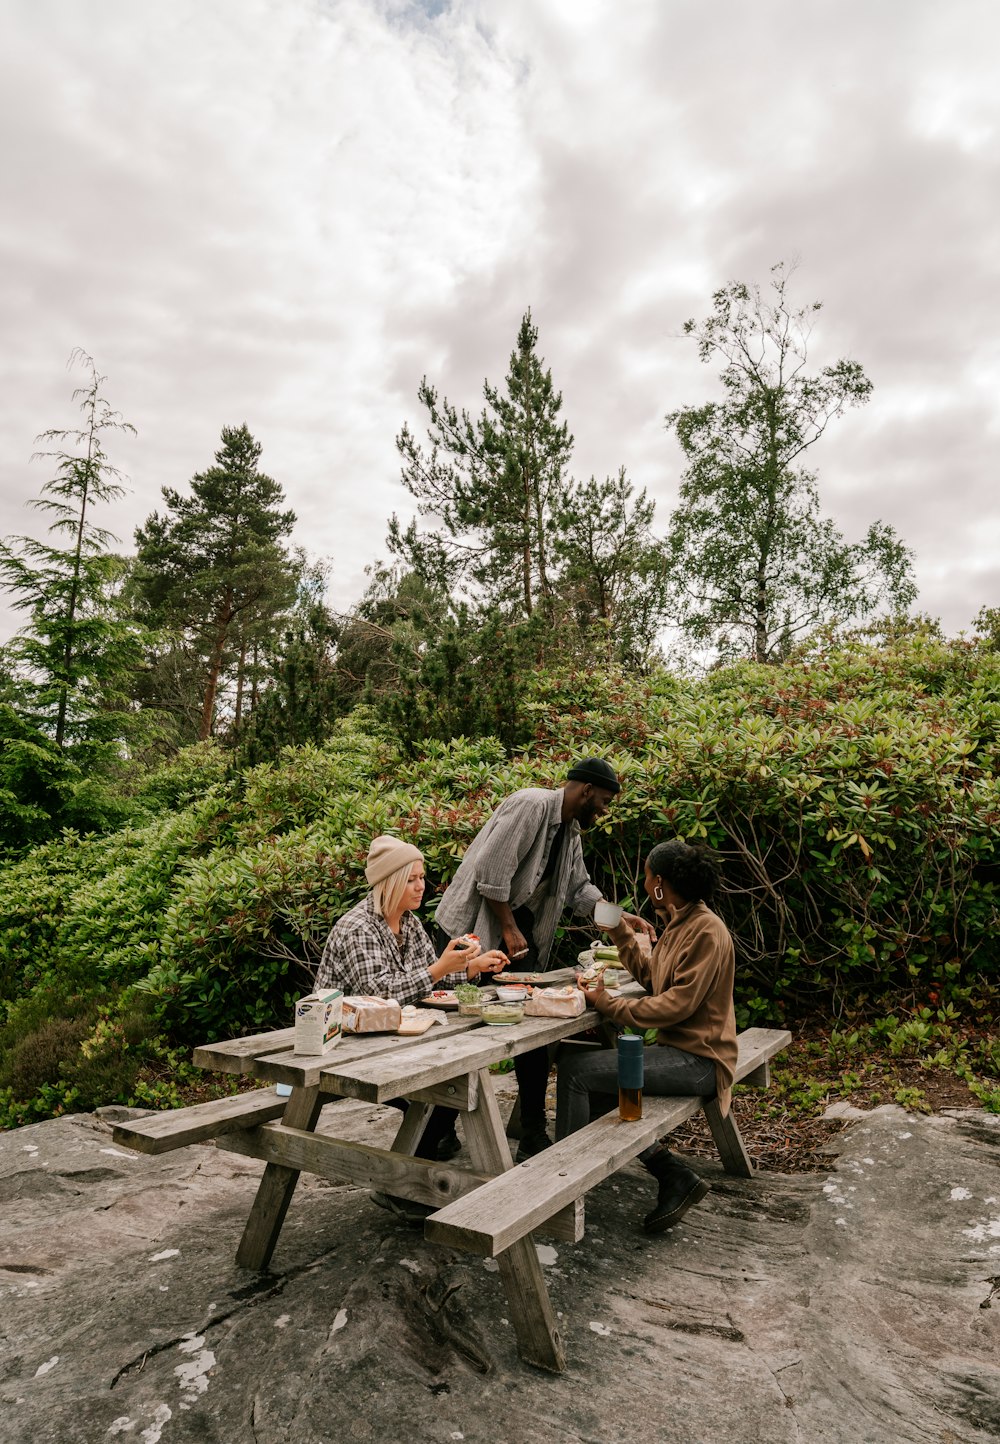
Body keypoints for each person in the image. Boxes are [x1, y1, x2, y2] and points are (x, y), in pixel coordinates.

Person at [434, 758, 654, 1160]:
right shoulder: (531, 804)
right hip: (473, 932)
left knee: (533, 1022)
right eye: (603, 801)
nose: (604, 810)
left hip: (518, 930)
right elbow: (491, 873)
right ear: (586, 790)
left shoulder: (570, 833)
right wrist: (508, 927)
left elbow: (579, 889)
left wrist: (619, 918)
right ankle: (438, 1132)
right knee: (466, 1029)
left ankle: (533, 1132)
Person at [316, 833, 506, 1223]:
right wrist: (440, 967)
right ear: (389, 882)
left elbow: (428, 982)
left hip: (392, 1038)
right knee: (444, 1089)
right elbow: (379, 993)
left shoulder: (411, 923)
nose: (421, 886)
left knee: (457, 1077)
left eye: (422, 877)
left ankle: (419, 1167)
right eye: (412, 879)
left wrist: (471, 967)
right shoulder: (358, 928)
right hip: (345, 1044)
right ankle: (401, 1187)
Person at [555, 838, 737, 1234]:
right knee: (591, 1065)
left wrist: (606, 1003)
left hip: (701, 1061)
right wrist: (620, 931)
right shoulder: (682, 922)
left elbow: (674, 1006)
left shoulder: (706, 931)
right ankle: (673, 1175)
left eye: (648, 877)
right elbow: (656, 981)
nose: (644, 884)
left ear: (661, 884)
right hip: (681, 1052)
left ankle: (561, 1192)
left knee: (576, 1072)